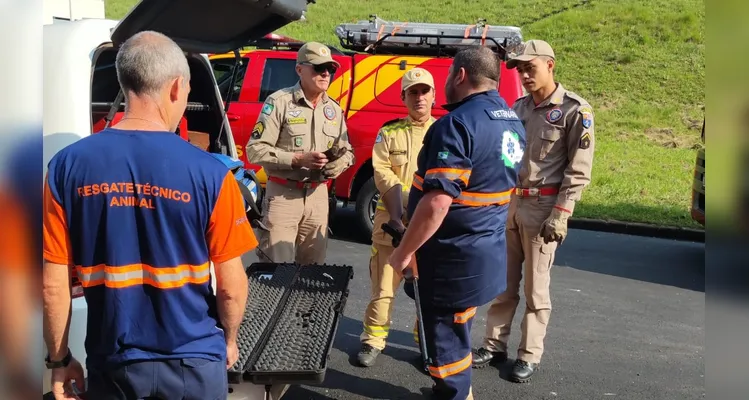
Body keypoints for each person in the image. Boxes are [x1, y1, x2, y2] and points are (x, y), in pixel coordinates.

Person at [42, 31, 257, 400]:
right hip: (195, 363)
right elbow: (232, 286)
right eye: (188, 91)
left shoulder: (65, 168)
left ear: (126, 84)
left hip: (113, 362)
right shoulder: (211, 174)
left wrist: (59, 360)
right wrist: (231, 339)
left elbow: (53, 285)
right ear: (176, 88)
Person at [388, 46, 527, 400]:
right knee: (459, 326)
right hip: (485, 251)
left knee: (444, 334)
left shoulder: (457, 124)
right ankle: (454, 389)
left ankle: (453, 392)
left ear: (460, 76)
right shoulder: (510, 119)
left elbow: (437, 203)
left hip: (452, 257)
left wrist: (403, 252)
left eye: (449, 74)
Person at [471, 39, 596, 383]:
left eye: (531, 67)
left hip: (544, 206)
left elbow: (578, 170)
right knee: (503, 281)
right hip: (511, 202)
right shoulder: (519, 107)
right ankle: (494, 345)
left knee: (536, 289)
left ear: (550, 65)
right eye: (521, 69)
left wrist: (561, 214)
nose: (525, 74)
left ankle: (529, 354)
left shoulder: (575, 111)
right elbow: (505, 157)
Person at [246, 41, 354, 265]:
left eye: (331, 69)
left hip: (318, 197)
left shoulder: (333, 109)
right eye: (318, 68)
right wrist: (297, 159)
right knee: (276, 269)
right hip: (284, 195)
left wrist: (336, 164)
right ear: (299, 70)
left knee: (311, 273)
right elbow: (254, 151)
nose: (326, 73)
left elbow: (348, 152)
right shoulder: (279, 102)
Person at [357, 68, 437, 367]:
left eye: (424, 91)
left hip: (428, 224)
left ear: (433, 95)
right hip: (391, 223)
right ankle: (372, 340)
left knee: (426, 288)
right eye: (413, 92)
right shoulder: (389, 133)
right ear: (403, 97)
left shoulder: (443, 130)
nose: (419, 97)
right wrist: (398, 213)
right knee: (383, 285)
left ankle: (426, 344)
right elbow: (382, 172)